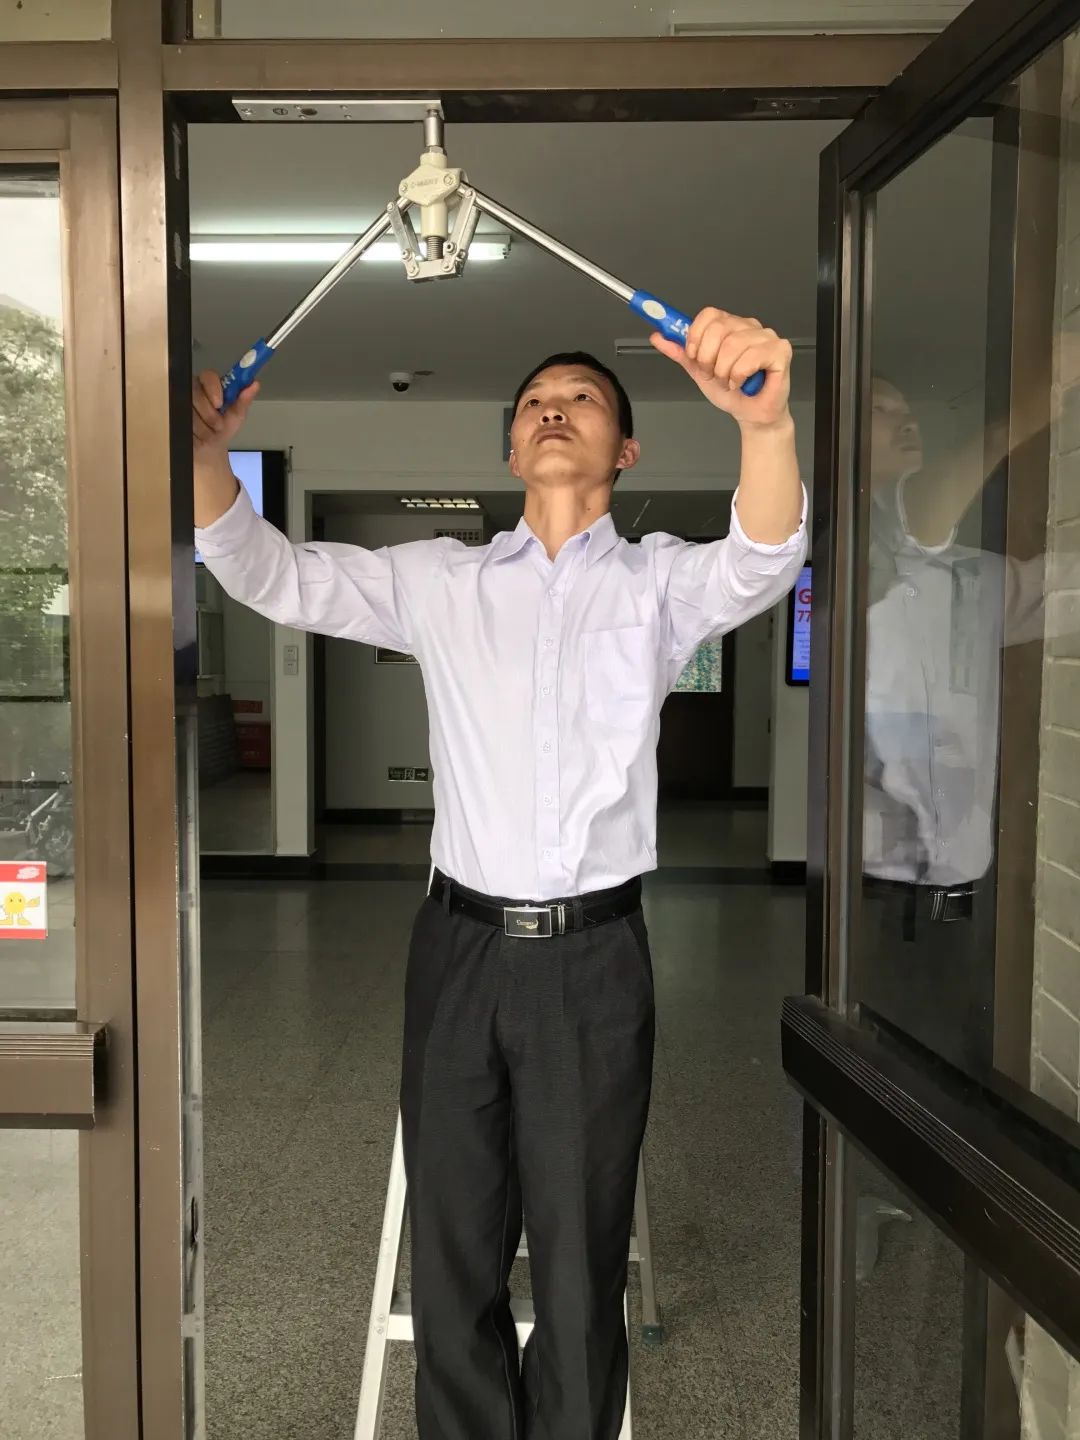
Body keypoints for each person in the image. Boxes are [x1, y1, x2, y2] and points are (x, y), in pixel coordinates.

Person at [192, 308, 807, 1440]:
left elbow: (765, 556)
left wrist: (764, 428)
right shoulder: (440, 579)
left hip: (594, 960)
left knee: (578, 1263)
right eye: (534, 404)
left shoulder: (660, 585)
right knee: (455, 1249)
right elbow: (269, 573)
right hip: (459, 950)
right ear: (511, 449)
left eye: (583, 399)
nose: (554, 411)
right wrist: (203, 460)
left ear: (626, 450)